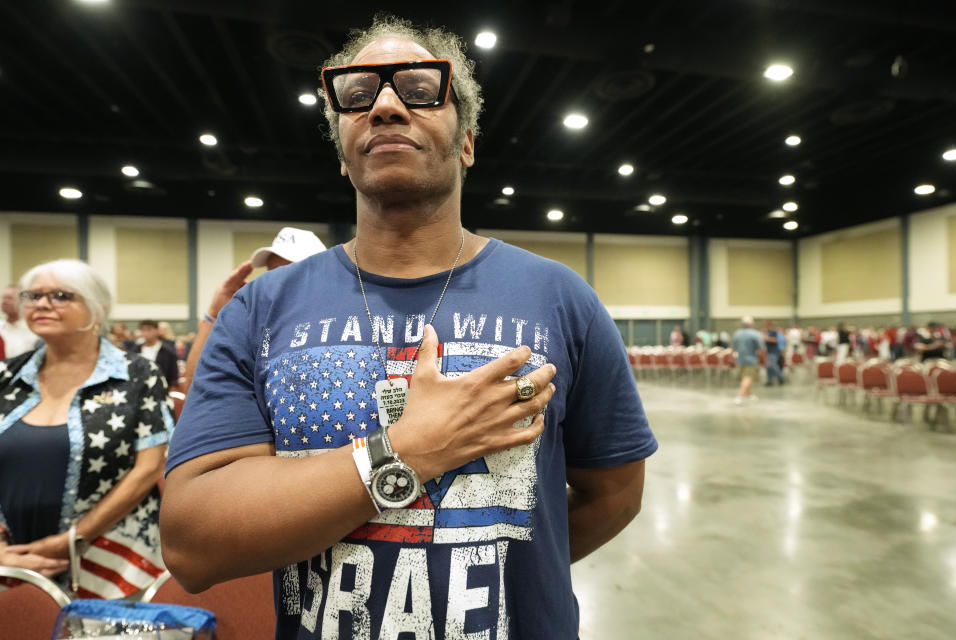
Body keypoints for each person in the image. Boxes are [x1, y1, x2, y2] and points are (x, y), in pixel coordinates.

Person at [161, 15, 657, 639]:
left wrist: (510, 572)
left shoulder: (560, 298)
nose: (387, 105)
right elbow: (191, 543)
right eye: (358, 94)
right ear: (343, 150)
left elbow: (615, 493)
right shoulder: (260, 310)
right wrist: (406, 453)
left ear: (468, 143)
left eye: (421, 89)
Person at [0, 259, 173, 597]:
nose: (42, 304)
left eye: (61, 295)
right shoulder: (6, 376)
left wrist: (73, 538)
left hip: (110, 552)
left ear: (97, 308)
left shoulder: (138, 375)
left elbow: (149, 467)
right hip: (12, 556)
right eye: (34, 296)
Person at [180, 227, 327, 396]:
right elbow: (196, 390)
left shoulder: (337, 327)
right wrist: (215, 313)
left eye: (290, 271)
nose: (277, 282)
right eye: (272, 271)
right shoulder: (255, 330)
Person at [134, 320, 180, 391]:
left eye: (149, 329)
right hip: (139, 390)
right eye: (143, 330)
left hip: (161, 390)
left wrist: (171, 390)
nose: (146, 333)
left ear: (157, 330)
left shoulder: (168, 352)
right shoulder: (135, 350)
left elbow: (173, 376)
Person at [0, 285, 39, 358]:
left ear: (22, 302)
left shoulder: (33, 331)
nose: (5, 301)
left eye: (9, 298)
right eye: (3, 298)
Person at [733, 316, 764, 404]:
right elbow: (761, 349)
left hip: (740, 359)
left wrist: (732, 359)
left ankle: (749, 395)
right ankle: (739, 396)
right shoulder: (755, 334)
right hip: (751, 360)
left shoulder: (737, 333)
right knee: (748, 378)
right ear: (751, 324)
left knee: (745, 377)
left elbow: (733, 348)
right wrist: (763, 360)